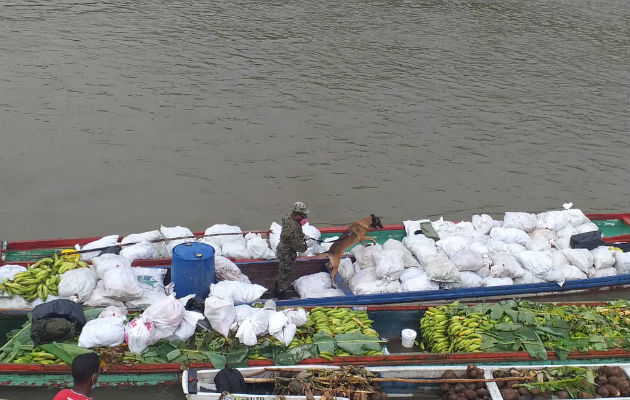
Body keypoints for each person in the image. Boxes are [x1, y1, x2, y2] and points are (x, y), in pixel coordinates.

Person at [275, 201, 309, 299]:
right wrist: (306, 246)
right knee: (285, 272)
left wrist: (302, 235)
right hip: (287, 253)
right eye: (302, 215)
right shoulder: (295, 228)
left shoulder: (287, 218)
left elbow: (291, 233)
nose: (304, 217)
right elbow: (297, 246)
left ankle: (276, 289)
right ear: (297, 214)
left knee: (282, 271)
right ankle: (281, 294)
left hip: (281, 247)